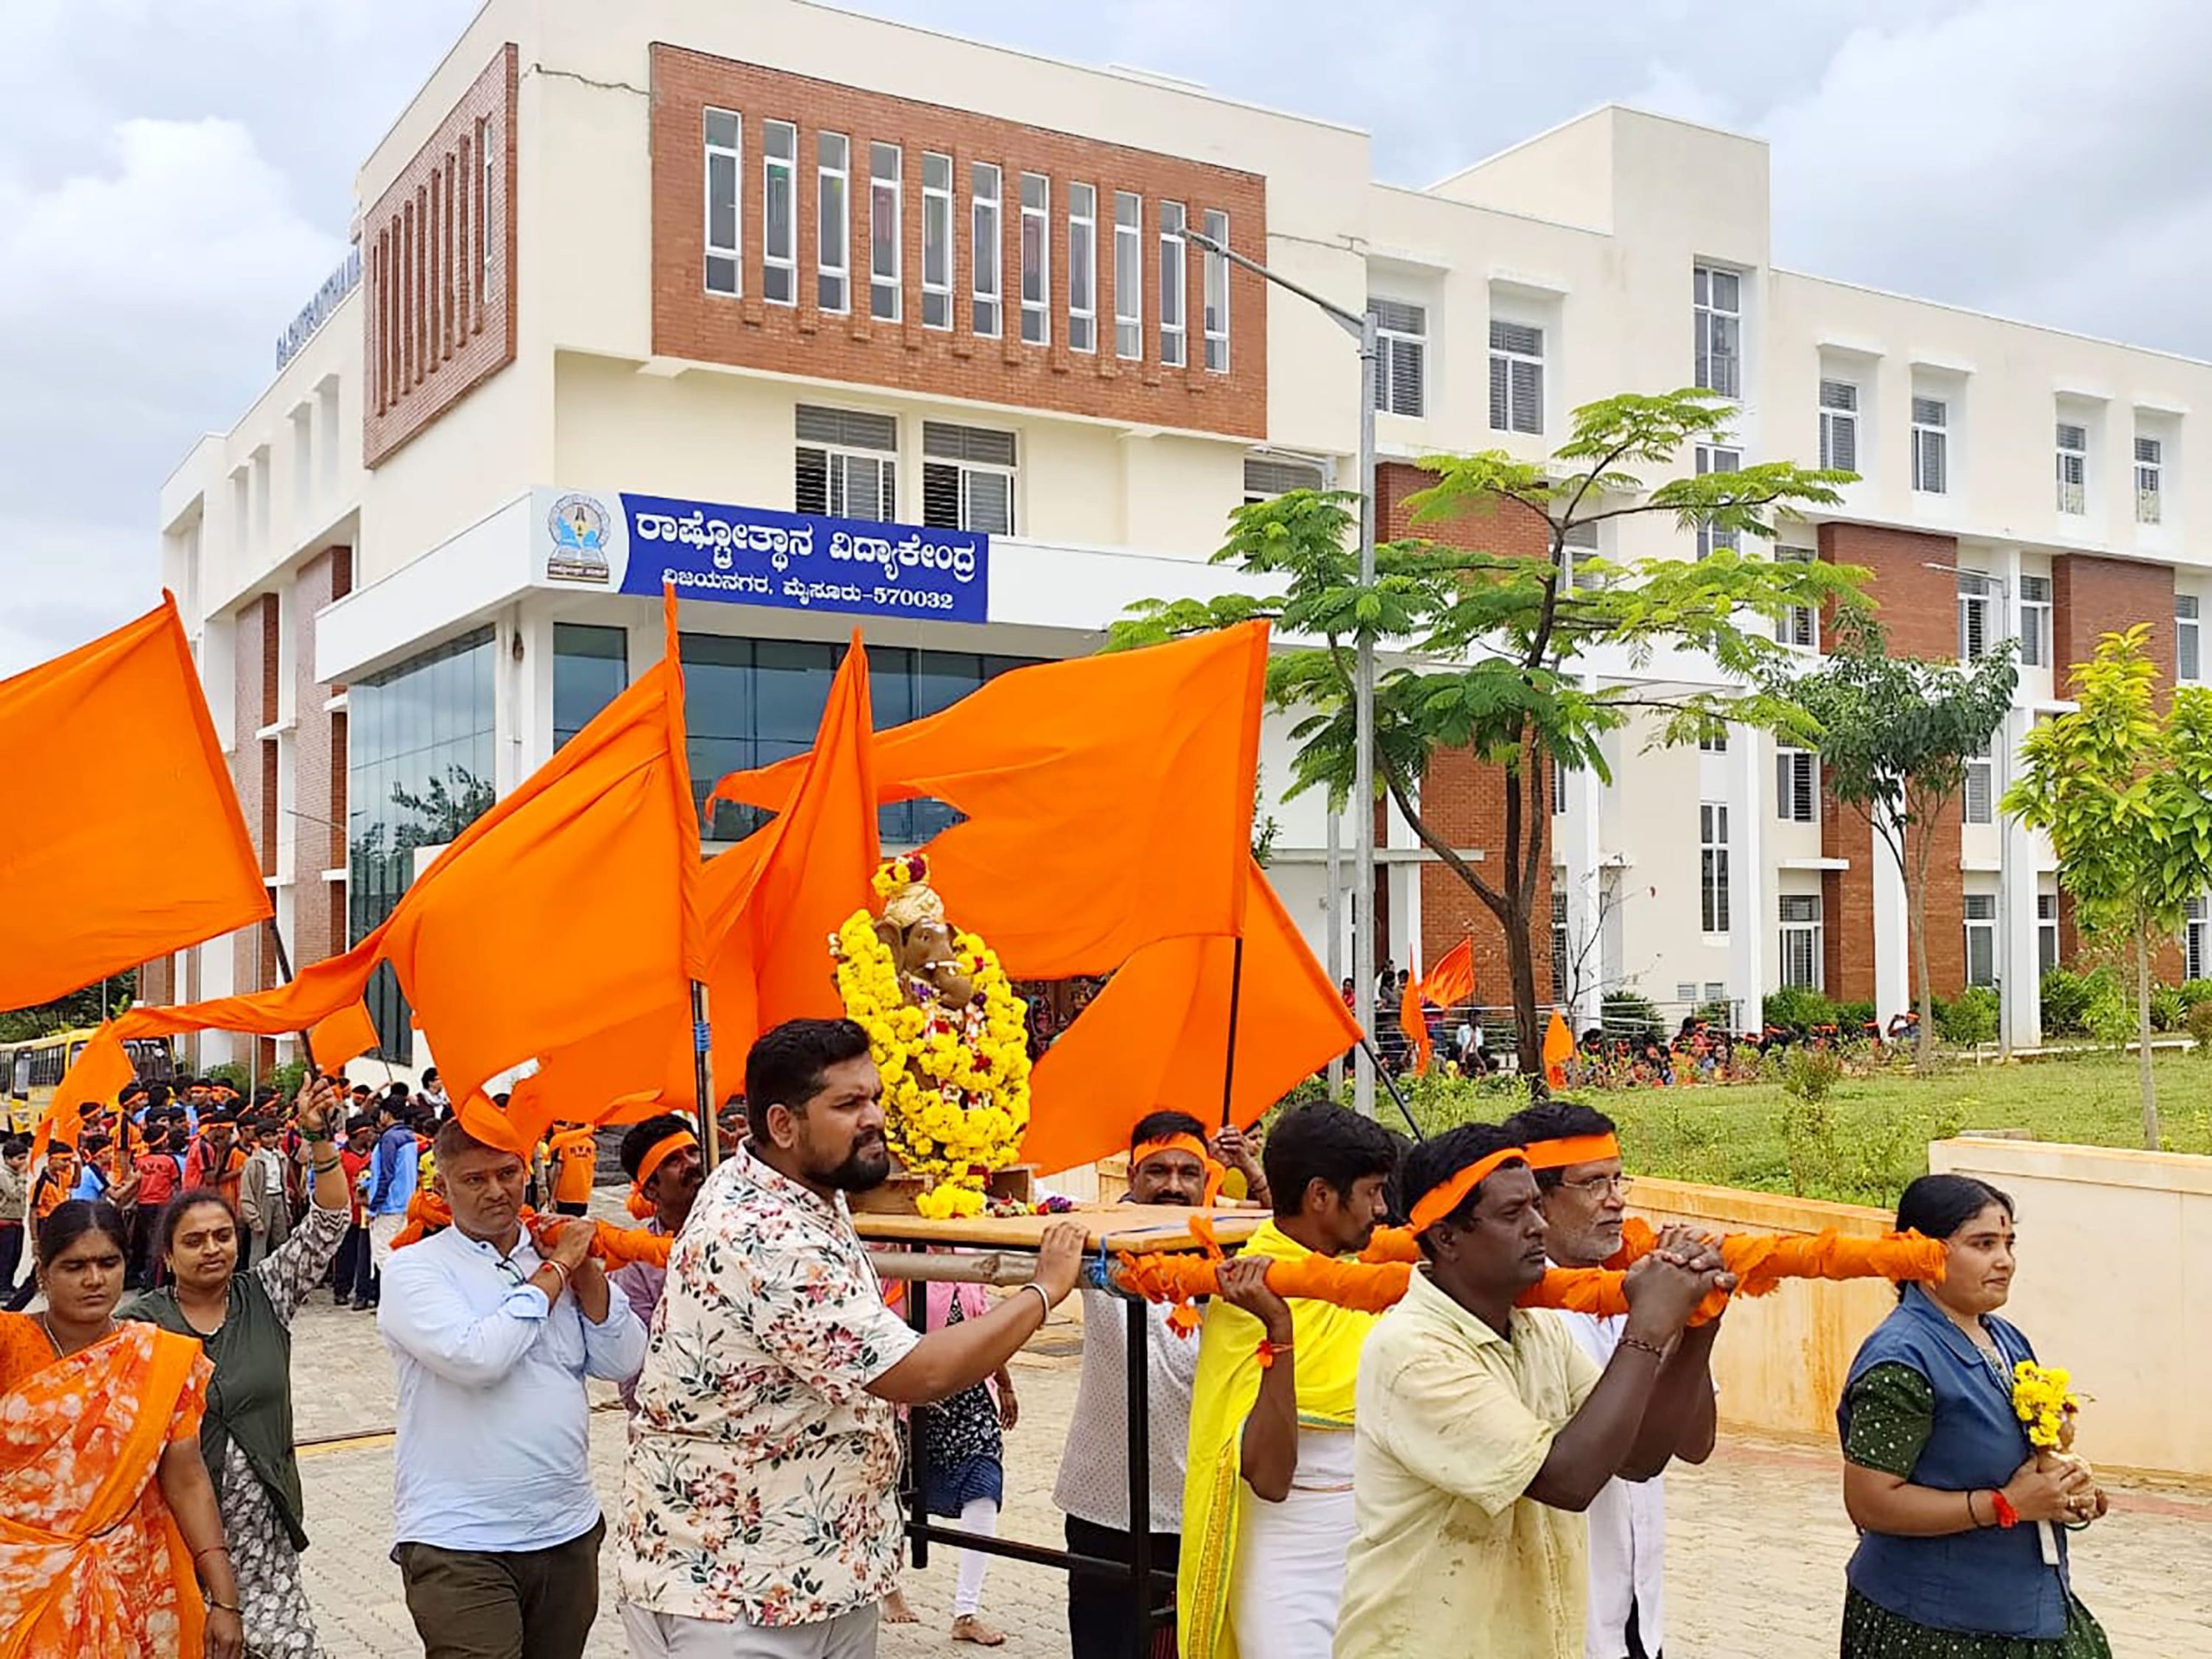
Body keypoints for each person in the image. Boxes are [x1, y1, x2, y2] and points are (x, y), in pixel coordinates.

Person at [615, 1016, 1087, 1658]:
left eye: (875, 1098)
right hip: (734, 1592)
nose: (874, 1118)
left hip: (823, 1572)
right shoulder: (761, 1233)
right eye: (848, 1103)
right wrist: (1043, 1290)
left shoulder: (798, 1184)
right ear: (782, 1125)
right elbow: (917, 1374)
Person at [1334, 1123, 1734, 1659]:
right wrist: (1647, 1330)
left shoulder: (1535, 1327)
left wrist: (1700, 1321)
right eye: (1512, 1214)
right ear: (1446, 1237)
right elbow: (1567, 1481)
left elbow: (1639, 1459)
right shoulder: (1412, 1350)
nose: (1538, 1227)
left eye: (1535, 1208)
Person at [378, 1116, 645, 1658]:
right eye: (474, 1180)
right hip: (459, 1541)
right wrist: (560, 1269)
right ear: (441, 1188)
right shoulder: (415, 1270)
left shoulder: (553, 1255)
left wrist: (585, 1269)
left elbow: (626, 1358)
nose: (496, 1191)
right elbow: (478, 1357)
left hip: (565, 1529)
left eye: (507, 1173)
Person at [120, 1077, 351, 1659]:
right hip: (176, 1540)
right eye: (194, 1241)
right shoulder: (139, 1327)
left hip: (265, 1538)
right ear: (167, 1255)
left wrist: (319, 1138)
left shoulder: (265, 1294)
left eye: (222, 1235)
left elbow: (329, 1223)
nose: (213, 1248)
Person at [1837, 1174, 2110, 1658]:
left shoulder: (2004, 1338)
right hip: (1933, 1627)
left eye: (2008, 1243)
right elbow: (1870, 1503)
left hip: (2027, 1604)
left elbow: (2021, 1460)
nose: (2004, 1261)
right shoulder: (1901, 1362)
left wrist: (2066, 1493)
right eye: (1983, 1244)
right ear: (1922, 1255)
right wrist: (2006, 1505)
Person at [1178, 1102, 1401, 1659]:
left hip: (1380, 1544)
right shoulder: (1249, 1293)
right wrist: (1279, 1330)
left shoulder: (1362, 1272)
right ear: (1321, 1196)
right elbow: (1270, 1478)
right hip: (1288, 1556)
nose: (1382, 1209)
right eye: (1372, 1192)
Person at [1509, 1101, 1719, 1659]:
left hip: (1638, 1618)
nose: (1617, 1200)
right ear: (1536, 1200)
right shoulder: (1517, 1317)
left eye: (1618, 1178)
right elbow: (1607, 1465)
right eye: (1593, 1184)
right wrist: (1655, 1327)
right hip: (1553, 1626)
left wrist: (1695, 1321)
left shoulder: (1640, 1287)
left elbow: (1694, 1446)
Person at [0, 1199, 245, 1658]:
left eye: (108, 1263)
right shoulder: (8, 1344)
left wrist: (225, 1598)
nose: (94, 1280)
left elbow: (188, 1479)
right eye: (74, 1266)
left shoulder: (157, 1358)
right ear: (43, 1273)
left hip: (131, 1582)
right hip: (15, 1586)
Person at [1055, 1111, 1221, 1659]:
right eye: (1157, 1170)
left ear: (1207, 1180)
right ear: (1131, 1178)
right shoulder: (1103, 1239)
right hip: (1105, 1498)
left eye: (1187, 1172)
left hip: (1198, 1503)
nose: (1172, 1185)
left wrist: (1256, 1178)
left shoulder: (1233, 1247)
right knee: (1103, 1645)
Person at [609, 1112, 705, 1412]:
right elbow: (635, 1370)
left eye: (693, 1151)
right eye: (673, 1160)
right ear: (651, 1189)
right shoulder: (634, 1263)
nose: (691, 1164)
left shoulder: (741, 1233)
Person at [362, 1094, 421, 1309]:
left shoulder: (389, 1139)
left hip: (389, 1205)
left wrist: (374, 1205)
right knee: (400, 1253)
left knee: (383, 1256)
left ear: (386, 1114)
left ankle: (395, 1301)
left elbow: (386, 1174)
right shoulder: (410, 1136)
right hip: (406, 1202)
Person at [131, 1117, 185, 1287]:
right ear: (164, 1142)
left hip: (143, 1205)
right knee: (160, 1243)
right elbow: (177, 1184)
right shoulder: (169, 1161)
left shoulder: (140, 1161)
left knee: (147, 1243)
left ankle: (146, 1280)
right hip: (163, 1205)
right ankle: (156, 1282)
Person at [331, 1115, 376, 1306]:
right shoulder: (340, 1156)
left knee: (366, 1255)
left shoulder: (373, 1155)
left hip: (367, 1213)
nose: (371, 1134)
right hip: (347, 1211)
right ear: (359, 1133)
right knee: (345, 1252)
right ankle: (341, 1289)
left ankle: (366, 1291)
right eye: (367, 1131)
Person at [238, 1117, 292, 1270]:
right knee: (259, 1244)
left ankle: (280, 1276)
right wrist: (253, 1217)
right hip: (263, 1201)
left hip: (278, 1198)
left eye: (273, 1135)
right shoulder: (254, 1162)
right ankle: (254, 1280)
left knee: (281, 1241)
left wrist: (286, 1207)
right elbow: (246, 1193)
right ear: (259, 1138)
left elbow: (283, 1184)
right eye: (266, 1136)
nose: (270, 1139)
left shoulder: (281, 1157)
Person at [185, 1105, 247, 1209]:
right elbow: (211, 1179)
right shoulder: (203, 1147)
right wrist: (239, 1170)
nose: (231, 1134)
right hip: (198, 1198)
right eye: (230, 1130)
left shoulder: (212, 1146)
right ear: (219, 1129)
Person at [546, 1120, 598, 1217]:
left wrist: (552, 1196)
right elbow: (591, 1167)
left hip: (564, 1194)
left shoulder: (565, 1143)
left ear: (574, 1125)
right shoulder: (591, 1145)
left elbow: (558, 1172)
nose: (567, 1124)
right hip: (582, 1194)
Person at [0, 1135, 29, 1302]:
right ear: (8, 1159)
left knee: (15, 1255)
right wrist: (22, 1176)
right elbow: (14, 1193)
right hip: (5, 1221)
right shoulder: (4, 1175)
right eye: (20, 1159)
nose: (24, 1162)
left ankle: (9, 1284)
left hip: (17, 1219)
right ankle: (2, 1286)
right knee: (5, 1255)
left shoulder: (16, 1173)